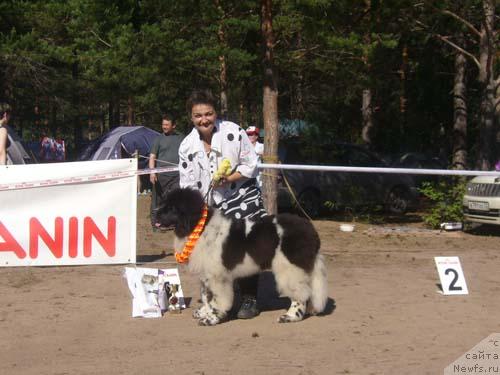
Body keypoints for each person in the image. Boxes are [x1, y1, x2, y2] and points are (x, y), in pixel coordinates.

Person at [179, 89, 267, 319]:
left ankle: (250, 299)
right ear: (191, 117)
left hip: (242, 198)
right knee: (214, 259)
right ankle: (217, 303)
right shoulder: (186, 146)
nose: (204, 120)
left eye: (208, 113)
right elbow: (188, 185)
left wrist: (229, 179)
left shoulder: (234, 132)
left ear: (215, 113)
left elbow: (251, 165)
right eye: (198, 115)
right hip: (210, 207)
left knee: (246, 252)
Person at [149, 114, 184, 230]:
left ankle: (172, 222)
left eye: (167, 125)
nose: (164, 127)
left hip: (177, 176)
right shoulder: (158, 139)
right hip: (160, 176)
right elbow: (152, 156)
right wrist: (152, 172)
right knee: (157, 200)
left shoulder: (181, 138)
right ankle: (155, 224)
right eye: (163, 124)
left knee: (174, 200)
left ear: (173, 125)